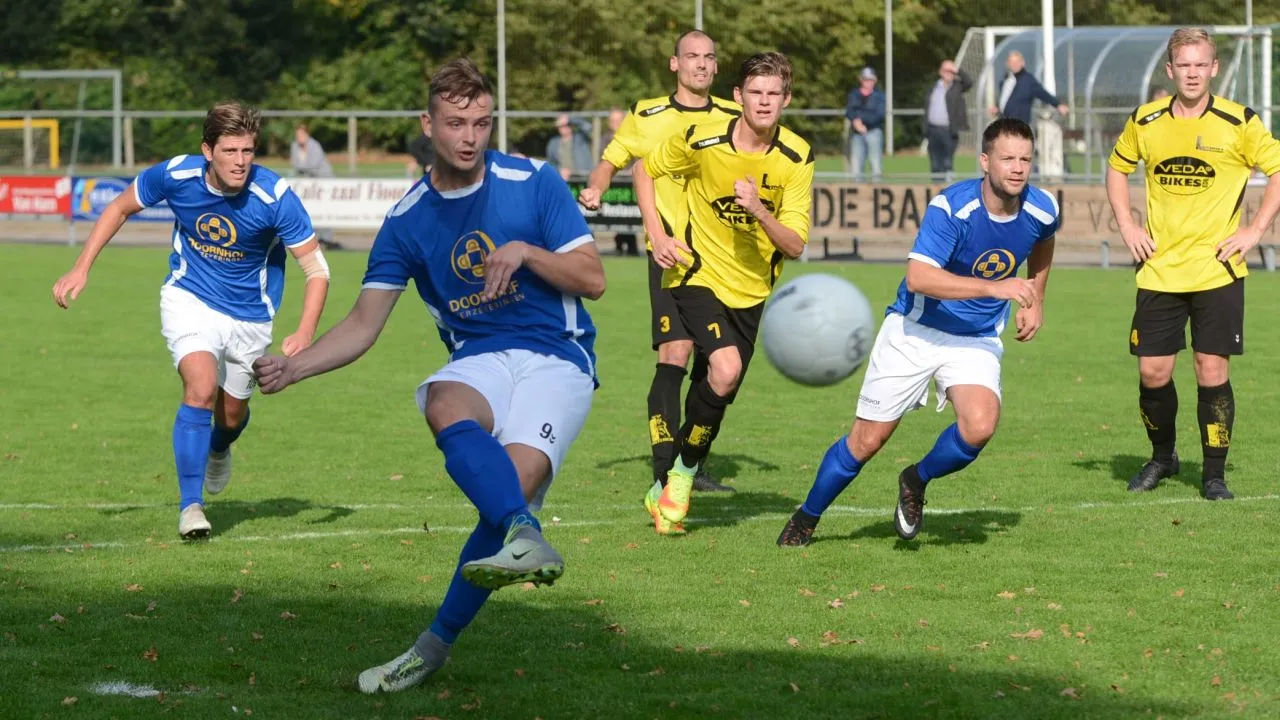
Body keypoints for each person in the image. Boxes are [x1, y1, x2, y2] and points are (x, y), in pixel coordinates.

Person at [250, 58, 606, 694]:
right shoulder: (409, 219)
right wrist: (294, 367)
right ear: (428, 124)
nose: (470, 136)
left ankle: (431, 648)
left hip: (559, 354)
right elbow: (363, 323)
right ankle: (527, 534)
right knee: (443, 398)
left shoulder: (534, 181)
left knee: (508, 495)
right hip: (479, 355)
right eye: (456, 123)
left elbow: (593, 281)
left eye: (482, 122)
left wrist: (526, 253)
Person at [51, 100, 331, 540]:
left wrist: (306, 330)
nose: (241, 162)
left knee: (232, 416)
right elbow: (119, 207)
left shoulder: (274, 196)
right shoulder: (176, 175)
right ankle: (190, 506)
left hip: (250, 317)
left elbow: (317, 270)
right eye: (230, 151)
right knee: (199, 387)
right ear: (208, 150)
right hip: (189, 297)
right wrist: (81, 266)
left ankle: (219, 448)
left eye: (248, 151)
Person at [777, 118, 1058, 547]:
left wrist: (1036, 296)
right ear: (985, 161)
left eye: (1025, 159)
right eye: (1007, 159)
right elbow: (918, 278)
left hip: (975, 338)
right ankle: (807, 516)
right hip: (915, 331)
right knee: (867, 441)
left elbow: (1044, 240)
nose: (1017, 168)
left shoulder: (1041, 208)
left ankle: (915, 480)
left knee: (980, 426)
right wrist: (996, 287)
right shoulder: (952, 208)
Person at [636, 51, 813, 533]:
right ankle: (682, 479)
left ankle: (675, 475)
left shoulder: (796, 157)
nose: (763, 102)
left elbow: (795, 245)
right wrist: (658, 232)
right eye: (755, 93)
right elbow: (645, 170)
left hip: (752, 292)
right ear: (738, 97)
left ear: (786, 100)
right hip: (695, 274)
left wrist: (759, 209)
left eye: (773, 94)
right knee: (724, 365)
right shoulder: (703, 138)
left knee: (717, 385)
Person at [1105, 27, 1280, 501]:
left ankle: (1214, 474)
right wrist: (1127, 226)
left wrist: (1254, 231)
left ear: (1214, 69)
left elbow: (1278, 169)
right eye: (1184, 65)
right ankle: (1163, 457)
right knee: (1153, 373)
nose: (1192, 73)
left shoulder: (1239, 121)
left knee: (1211, 371)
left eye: (1201, 64)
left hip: (1217, 271)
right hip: (1159, 269)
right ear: (1170, 69)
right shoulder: (1146, 121)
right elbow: (1117, 168)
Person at [578, 29, 743, 521]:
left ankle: (689, 464)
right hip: (670, 253)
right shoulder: (648, 113)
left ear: (716, 66)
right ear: (675, 64)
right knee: (676, 351)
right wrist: (595, 187)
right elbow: (614, 160)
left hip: (723, 262)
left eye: (709, 58)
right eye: (692, 57)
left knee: (719, 366)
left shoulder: (733, 118)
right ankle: (663, 472)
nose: (701, 65)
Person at [290, 123, 342, 251]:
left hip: (324, 181)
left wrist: (302, 168)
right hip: (309, 184)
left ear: (307, 134)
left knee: (325, 209)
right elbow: (295, 164)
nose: (299, 137)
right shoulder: (294, 146)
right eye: (298, 135)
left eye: (302, 134)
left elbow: (314, 164)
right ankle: (314, 238)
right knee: (310, 210)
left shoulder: (315, 146)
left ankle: (327, 238)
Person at [924, 59, 973, 183]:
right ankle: (936, 191)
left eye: (951, 71)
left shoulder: (957, 87)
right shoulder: (934, 87)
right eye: (946, 71)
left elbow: (969, 82)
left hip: (948, 131)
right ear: (940, 72)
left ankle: (949, 191)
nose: (949, 74)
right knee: (935, 163)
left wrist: (957, 70)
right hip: (933, 130)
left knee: (947, 162)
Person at [988, 51, 1068, 125]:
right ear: (1007, 64)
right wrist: (997, 108)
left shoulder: (1028, 80)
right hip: (1004, 122)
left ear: (1022, 63)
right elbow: (1004, 99)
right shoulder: (1006, 80)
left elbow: (1043, 94)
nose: (1014, 64)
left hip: (1020, 124)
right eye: (1011, 62)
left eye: (1017, 61)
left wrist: (1058, 104)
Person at [846, 67, 886, 182]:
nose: (867, 82)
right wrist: (856, 122)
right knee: (856, 165)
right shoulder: (854, 94)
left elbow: (879, 114)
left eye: (870, 80)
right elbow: (850, 111)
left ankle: (877, 193)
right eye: (865, 79)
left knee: (875, 164)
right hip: (857, 134)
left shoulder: (880, 96)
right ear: (861, 80)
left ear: (875, 80)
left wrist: (860, 121)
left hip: (874, 132)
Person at [544, 114, 594, 181]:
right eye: (561, 126)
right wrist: (559, 170)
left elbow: (588, 126)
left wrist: (570, 119)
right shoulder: (553, 143)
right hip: (563, 178)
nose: (564, 128)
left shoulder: (581, 138)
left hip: (583, 177)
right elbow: (551, 162)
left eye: (566, 125)